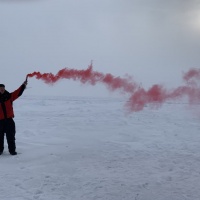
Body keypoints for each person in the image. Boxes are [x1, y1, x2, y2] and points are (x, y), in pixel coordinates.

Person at [0, 79, 28, 155]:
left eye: (3, 88)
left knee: (10, 137)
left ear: (4, 89)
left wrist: (23, 85)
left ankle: (12, 151)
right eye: (0, 89)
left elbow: (18, 92)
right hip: (0, 122)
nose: (2, 90)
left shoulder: (9, 96)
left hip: (9, 121)